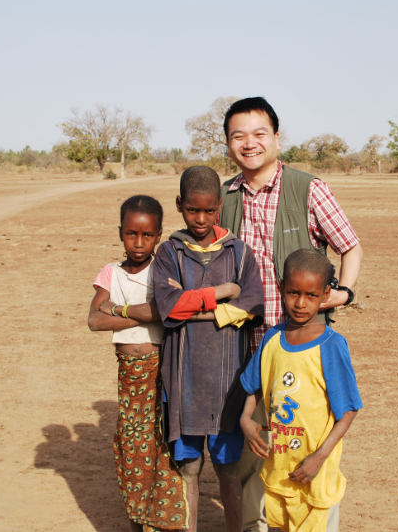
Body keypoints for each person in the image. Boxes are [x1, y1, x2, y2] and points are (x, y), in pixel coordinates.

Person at [219, 97, 363, 532]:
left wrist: (344, 292)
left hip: (299, 345)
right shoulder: (224, 198)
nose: (250, 143)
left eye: (259, 133)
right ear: (228, 144)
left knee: (303, 439)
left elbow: (349, 246)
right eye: (238, 136)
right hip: (246, 344)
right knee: (253, 451)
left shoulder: (308, 189)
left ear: (277, 138)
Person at [153, 166, 265, 532]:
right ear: (179, 206)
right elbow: (168, 307)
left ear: (219, 206)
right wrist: (223, 296)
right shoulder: (168, 252)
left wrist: (199, 310)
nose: (200, 219)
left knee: (228, 469)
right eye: (191, 210)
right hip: (183, 382)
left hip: (227, 384)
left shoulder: (239, 252)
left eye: (208, 210)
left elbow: (253, 304)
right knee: (189, 469)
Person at [239, 249, 363, 532]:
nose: (300, 303)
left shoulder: (331, 345)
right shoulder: (272, 338)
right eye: (293, 292)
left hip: (316, 473)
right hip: (279, 468)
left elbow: (348, 411)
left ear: (326, 295)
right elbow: (254, 385)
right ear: (281, 287)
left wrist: (319, 457)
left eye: (311, 295)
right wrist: (246, 420)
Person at [87, 195, 188, 532]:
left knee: (162, 447)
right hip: (128, 378)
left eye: (147, 235)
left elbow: (164, 310)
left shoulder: (163, 269)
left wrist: (117, 310)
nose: (139, 242)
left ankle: (164, 521)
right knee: (131, 448)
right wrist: (143, 315)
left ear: (159, 235)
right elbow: (93, 321)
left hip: (160, 372)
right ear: (120, 233)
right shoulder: (111, 272)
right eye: (132, 234)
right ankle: (137, 519)